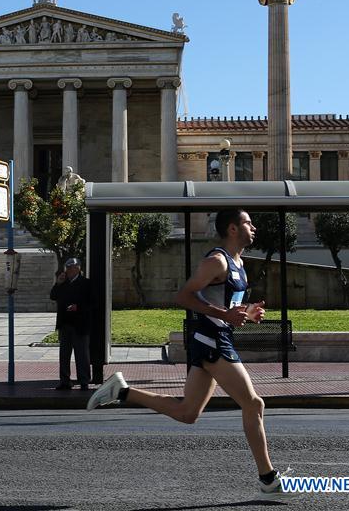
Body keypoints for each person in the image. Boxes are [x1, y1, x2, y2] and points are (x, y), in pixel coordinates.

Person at [87, 209, 290, 495]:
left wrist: (247, 312)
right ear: (232, 229)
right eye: (247, 222)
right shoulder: (216, 261)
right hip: (212, 340)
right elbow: (184, 296)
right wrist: (224, 314)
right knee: (254, 404)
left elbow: (224, 305)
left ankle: (122, 392)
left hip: (215, 337)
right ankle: (268, 478)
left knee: (187, 413)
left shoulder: (238, 262)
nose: (253, 227)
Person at [50, 258, 92, 391]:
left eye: (71, 268)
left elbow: (93, 302)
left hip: (79, 324)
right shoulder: (63, 283)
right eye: (67, 268)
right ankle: (65, 381)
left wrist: (78, 307)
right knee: (64, 354)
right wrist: (58, 283)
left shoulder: (86, 283)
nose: (68, 270)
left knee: (82, 354)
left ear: (78, 268)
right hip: (65, 323)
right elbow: (53, 296)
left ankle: (84, 380)